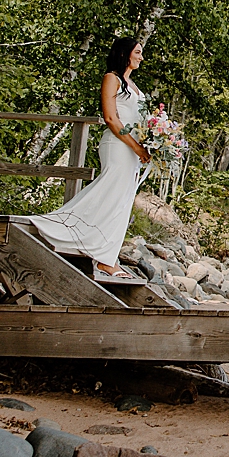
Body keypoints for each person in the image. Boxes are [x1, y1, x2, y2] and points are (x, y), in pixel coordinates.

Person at [28, 37, 152, 281]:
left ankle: (108, 256)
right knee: (108, 193)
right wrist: (136, 147)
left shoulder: (133, 85)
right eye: (137, 52)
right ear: (125, 54)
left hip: (133, 149)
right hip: (118, 146)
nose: (141, 57)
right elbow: (111, 118)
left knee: (120, 202)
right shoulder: (112, 79)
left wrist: (154, 139)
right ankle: (64, 231)